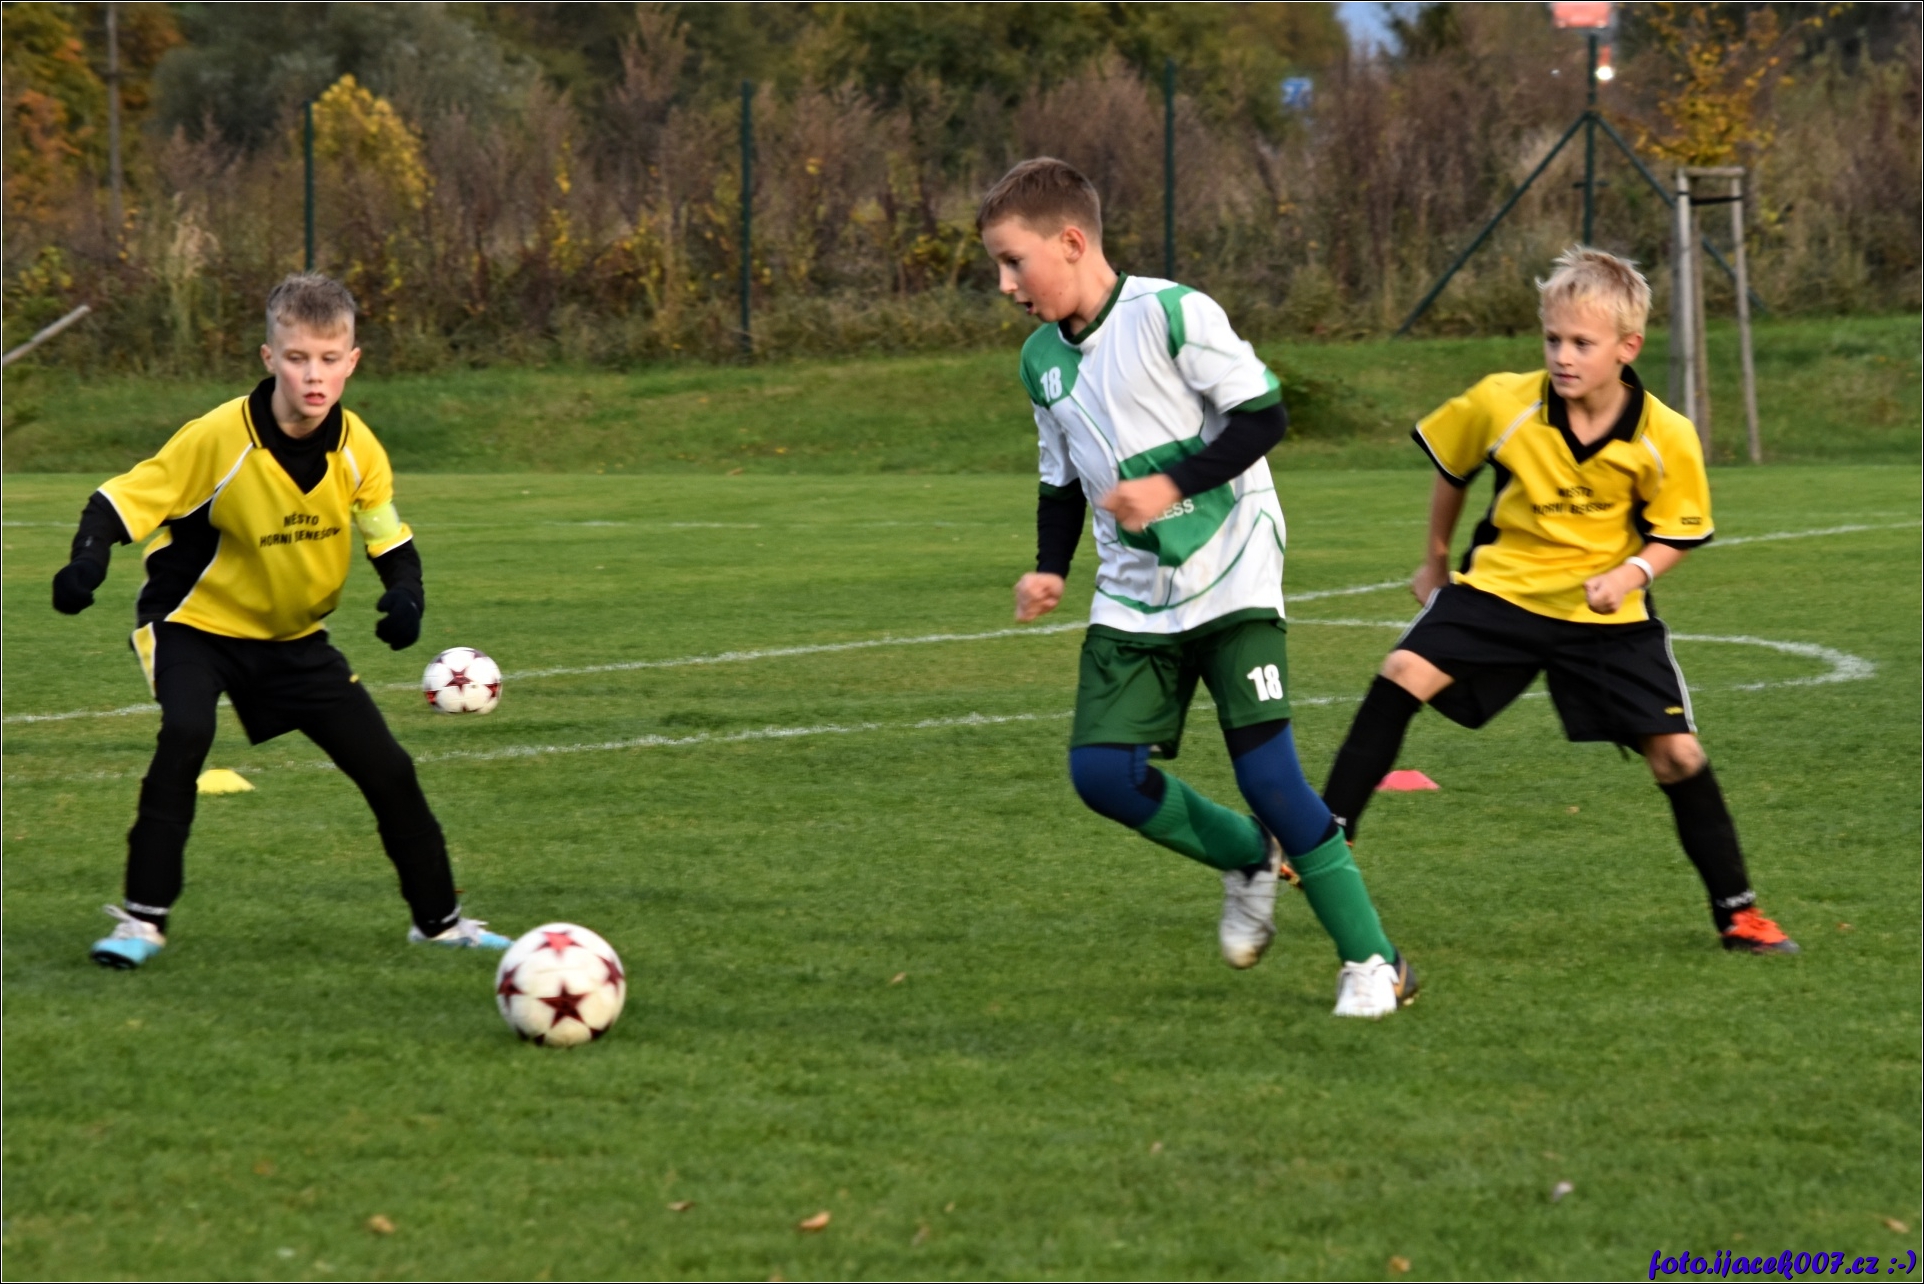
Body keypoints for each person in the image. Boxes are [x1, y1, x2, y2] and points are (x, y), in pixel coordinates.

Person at [978, 157, 1416, 1018]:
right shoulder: (1039, 362)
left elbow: (1265, 416)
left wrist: (1170, 486)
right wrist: (1050, 567)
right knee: (1101, 775)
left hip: (1232, 568)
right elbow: (1059, 481)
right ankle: (1246, 856)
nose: (1004, 285)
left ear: (1072, 243)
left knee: (1272, 777)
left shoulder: (1174, 313)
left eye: (1014, 261)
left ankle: (1374, 961)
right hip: (1133, 591)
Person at [1320, 246, 1797, 955]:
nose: (1563, 357)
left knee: (1677, 755)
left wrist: (1631, 574)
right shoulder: (1503, 401)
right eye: (1553, 339)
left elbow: (1680, 531)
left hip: (1603, 618)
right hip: (1501, 591)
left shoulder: (1666, 434)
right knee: (1402, 672)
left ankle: (1740, 913)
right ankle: (1324, 838)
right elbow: (1452, 467)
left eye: (1582, 343)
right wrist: (1435, 561)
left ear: (1628, 348)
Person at [52, 273, 511, 968]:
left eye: (329, 359)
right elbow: (115, 503)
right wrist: (86, 563)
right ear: (270, 358)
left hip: (294, 641)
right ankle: (140, 923)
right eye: (297, 358)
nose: (314, 375)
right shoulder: (217, 437)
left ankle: (441, 924)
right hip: (196, 625)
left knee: (388, 769)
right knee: (186, 733)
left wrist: (406, 595)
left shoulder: (359, 448)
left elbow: (387, 534)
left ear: (352, 361)